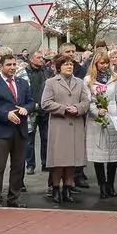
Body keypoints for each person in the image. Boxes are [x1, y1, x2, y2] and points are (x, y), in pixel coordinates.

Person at [0, 52, 33, 207]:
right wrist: (6, 114)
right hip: (2, 131)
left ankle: (13, 198)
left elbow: (32, 102)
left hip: (21, 131)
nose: (12, 67)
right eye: (8, 65)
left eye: (14, 64)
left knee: (18, 166)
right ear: (0, 66)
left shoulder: (23, 83)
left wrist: (26, 109)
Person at [40, 53, 89, 204]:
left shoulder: (80, 82)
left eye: (71, 64)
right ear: (58, 67)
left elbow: (86, 101)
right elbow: (45, 103)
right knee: (58, 161)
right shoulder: (51, 82)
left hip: (75, 125)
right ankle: (55, 189)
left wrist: (78, 108)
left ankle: (68, 189)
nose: (69, 66)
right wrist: (64, 108)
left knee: (71, 161)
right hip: (59, 125)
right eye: (66, 64)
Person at [86, 51, 117, 199]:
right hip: (97, 120)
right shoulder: (88, 80)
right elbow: (88, 101)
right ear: (95, 64)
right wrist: (97, 111)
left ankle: (111, 184)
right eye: (101, 63)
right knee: (100, 156)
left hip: (113, 117)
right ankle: (102, 186)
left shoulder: (114, 78)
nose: (104, 66)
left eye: (106, 63)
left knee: (113, 155)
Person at [25, 51, 52, 175]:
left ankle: (45, 163)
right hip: (30, 110)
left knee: (45, 138)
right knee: (29, 140)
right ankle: (30, 165)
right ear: (31, 59)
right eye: (38, 57)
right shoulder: (24, 72)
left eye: (42, 57)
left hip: (45, 110)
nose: (41, 60)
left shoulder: (46, 71)